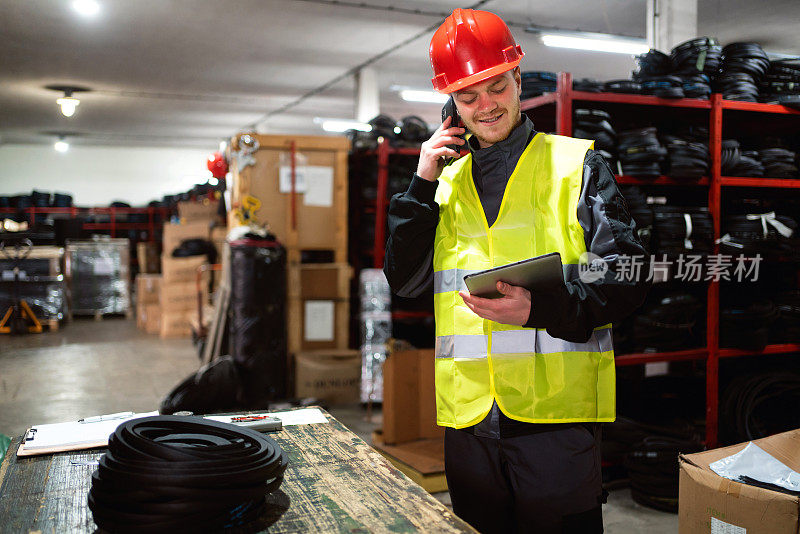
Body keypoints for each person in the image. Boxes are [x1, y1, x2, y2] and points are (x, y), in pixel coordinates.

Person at [383, 8, 651, 534]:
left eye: (496, 87)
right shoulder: (443, 185)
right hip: (468, 420)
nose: (486, 106)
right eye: (468, 96)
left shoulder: (576, 166)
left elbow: (627, 276)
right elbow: (408, 284)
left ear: (518, 80)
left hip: (553, 420)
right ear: (451, 106)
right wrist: (419, 184)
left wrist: (541, 307)